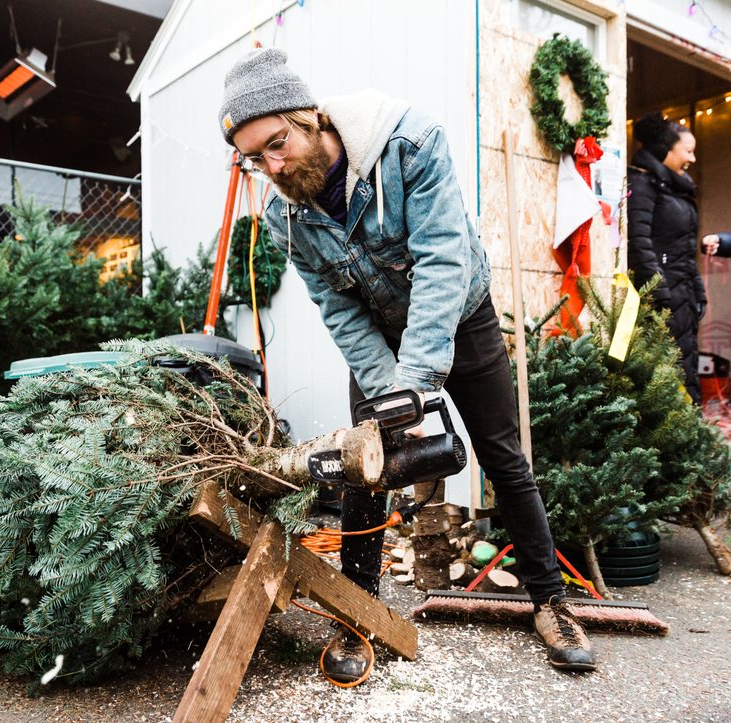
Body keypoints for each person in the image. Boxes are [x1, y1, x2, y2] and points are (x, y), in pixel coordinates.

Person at [217, 48, 596, 681]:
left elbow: (444, 263)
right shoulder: (286, 217)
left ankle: (551, 602)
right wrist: (388, 393)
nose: (273, 167)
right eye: (256, 158)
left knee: (504, 458)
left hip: (461, 314)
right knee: (362, 467)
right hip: (380, 337)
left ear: (309, 116)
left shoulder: (410, 144)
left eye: (278, 144)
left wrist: (416, 385)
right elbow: (339, 310)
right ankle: (356, 613)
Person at [627, 113, 706, 405]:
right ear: (665, 150)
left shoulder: (675, 188)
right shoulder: (642, 183)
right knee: (666, 377)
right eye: (688, 151)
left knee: (685, 370)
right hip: (663, 298)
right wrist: (660, 294)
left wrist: (697, 291)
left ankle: (690, 430)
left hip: (682, 295)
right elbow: (639, 243)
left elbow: (685, 250)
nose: (693, 159)